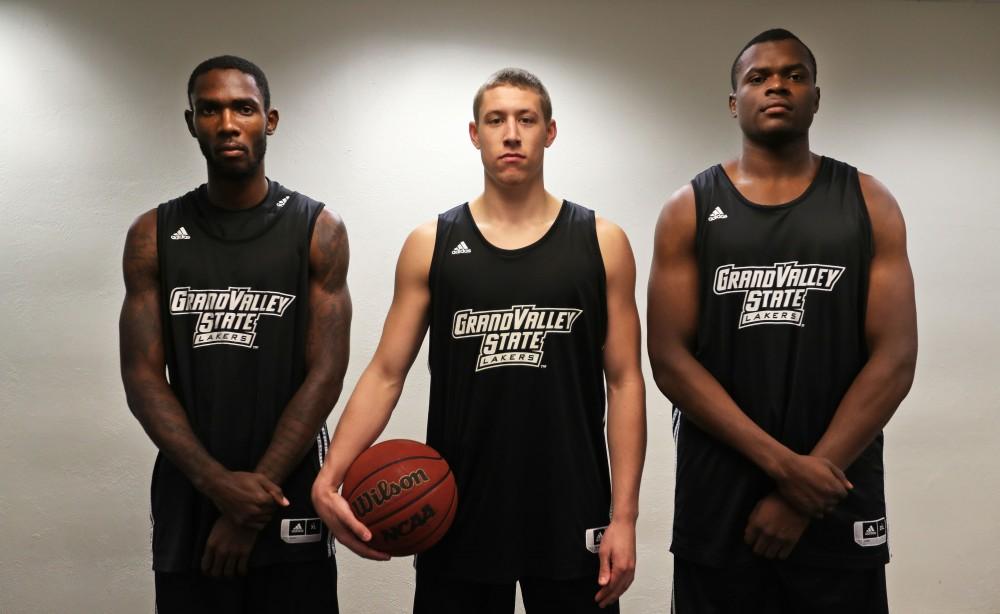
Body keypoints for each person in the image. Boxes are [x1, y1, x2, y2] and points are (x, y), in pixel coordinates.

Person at [312, 68, 646, 613]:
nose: (511, 133)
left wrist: (624, 517)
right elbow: (385, 371)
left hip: (570, 504)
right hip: (457, 507)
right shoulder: (432, 244)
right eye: (496, 120)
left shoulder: (601, 242)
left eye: (526, 119)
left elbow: (626, 381)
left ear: (550, 132)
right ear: (475, 134)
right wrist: (331, 475)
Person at [647, 29, 918, 613]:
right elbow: (669, 359)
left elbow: (894, 359)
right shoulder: (689, 208)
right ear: (733, 101)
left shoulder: (868, 201)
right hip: (722, 503)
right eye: (758, 77)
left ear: (816, 98)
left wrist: (805, 490)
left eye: (795, 75)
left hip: (835, 494)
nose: (777, 85)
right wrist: (787, 471)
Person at [119, 55, 350, 613]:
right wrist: (218, 485)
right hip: (190, 492)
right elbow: (142, 376)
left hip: (288, 492)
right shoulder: (153, 234)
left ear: (268, 120)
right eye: (210, 110)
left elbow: (326, 374)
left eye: (243, 109)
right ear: (191, 122)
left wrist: (254, 498)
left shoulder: (317, 228)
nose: (227, 124)